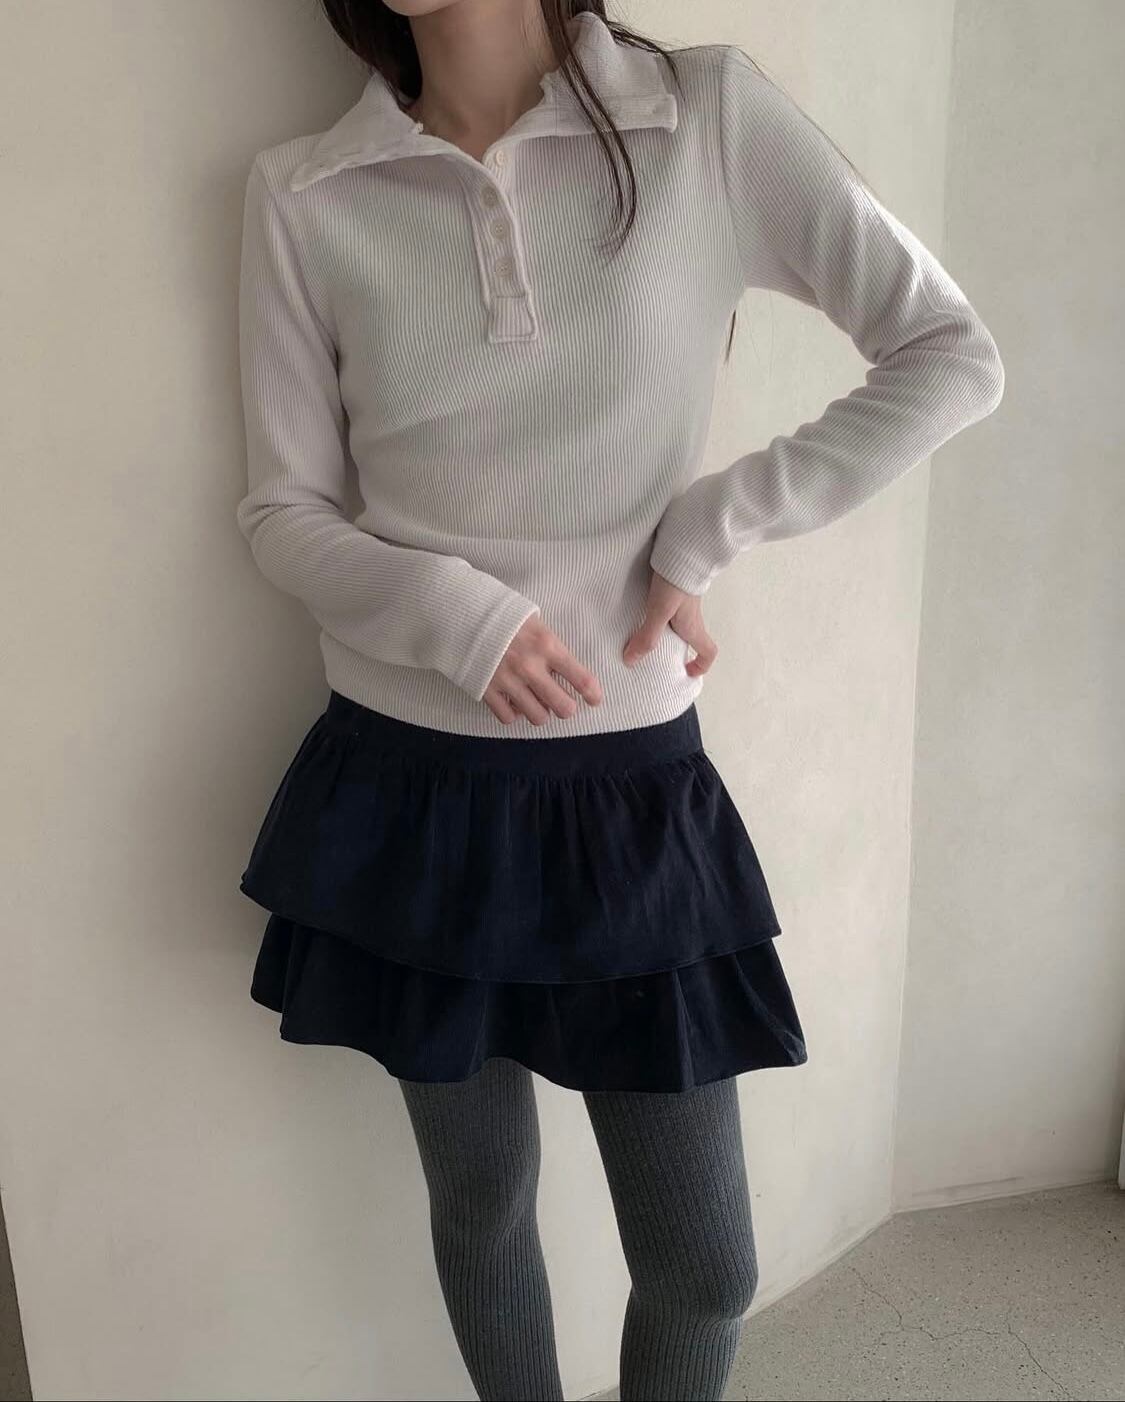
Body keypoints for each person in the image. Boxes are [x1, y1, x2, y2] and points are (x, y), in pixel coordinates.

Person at [234, 3, 1004, 1398]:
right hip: (410, 788)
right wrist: (459, 616)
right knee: (482, 1205)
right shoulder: (307, 191)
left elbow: (948, 352)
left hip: (627, 792)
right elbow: (283, 515)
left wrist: (708, 527)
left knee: (704, 1266)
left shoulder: (701, 118)